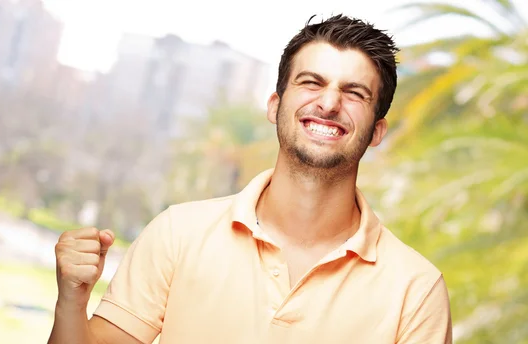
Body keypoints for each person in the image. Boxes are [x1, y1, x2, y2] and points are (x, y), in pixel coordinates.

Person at [48, 14, 453, 344]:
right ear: (274, 106)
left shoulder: (415, 291)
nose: (329, 103)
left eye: (354, 93)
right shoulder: (177, 234)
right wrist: (71, 300)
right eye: (312, 82)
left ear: (377, 131)